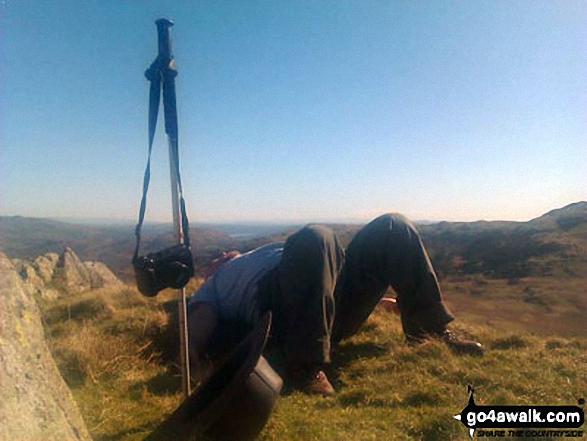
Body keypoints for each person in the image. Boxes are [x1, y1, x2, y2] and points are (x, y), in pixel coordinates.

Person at [187, 213, 483, 397]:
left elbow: (322, 276)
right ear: (209, 268)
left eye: (225, 252)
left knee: (392, 226)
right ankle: (304, 366)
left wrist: (379, 302)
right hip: (284, 309)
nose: (224, 253)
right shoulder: (212, 285)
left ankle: (429, 331)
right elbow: (201, 318)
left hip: (331, 294)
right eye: (217, 256)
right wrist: (188, 355)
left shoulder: (259, 251)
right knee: (317, 236)